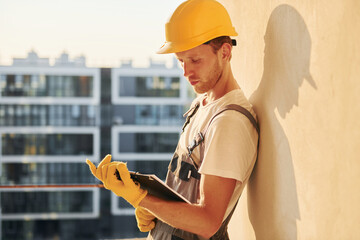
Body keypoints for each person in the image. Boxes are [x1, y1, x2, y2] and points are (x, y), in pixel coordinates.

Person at [86, 0, 259, 239]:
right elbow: (186, 193)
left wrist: (142, 198)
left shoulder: (229, 122)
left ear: (225, 52)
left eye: (195, 60)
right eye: (181, 61)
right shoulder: (201, 105)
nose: (186, 72)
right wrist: (150, 206)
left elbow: (208, 221)